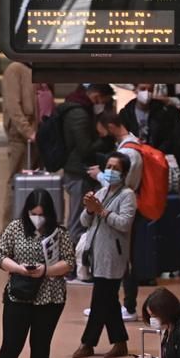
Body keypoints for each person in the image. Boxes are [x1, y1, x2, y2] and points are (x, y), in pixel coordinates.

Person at [0, 189, 76, 358]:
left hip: (50, 298)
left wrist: (45, 270)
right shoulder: (15, 228)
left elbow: (69, 262)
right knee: (11, 345)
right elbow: (0, 256)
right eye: (33, 213)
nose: (37, 218)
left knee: (40, 348)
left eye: (41, 214)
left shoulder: (59, 233)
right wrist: (19, 269)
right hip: (18, 296)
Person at [75, 151, 136, 358]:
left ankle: (87, 343)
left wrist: (102, 211)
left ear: (124, 173)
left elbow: (124, 223)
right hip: (97, 254)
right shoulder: (101, 192)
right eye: (108, 167)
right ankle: (120, 342)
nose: (110, 171)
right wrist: (89, 209)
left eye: (115, 168)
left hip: (114, 257)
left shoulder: (127, 195)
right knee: (109, 301)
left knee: (99, 300)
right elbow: (84, 222)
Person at [96, 110, 146, 320]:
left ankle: (129, 306)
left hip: (123, 209)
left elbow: (124, 184)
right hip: (118, 207)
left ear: (110, 126)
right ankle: (110, 305)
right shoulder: (131, 144)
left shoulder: (129, 152)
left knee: (125, 259)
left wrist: (99, 176)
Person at [62, 83, 116, 242]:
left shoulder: (83, 108)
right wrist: (105, 138)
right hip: (77, 172)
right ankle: (72, 252)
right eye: (104, 101)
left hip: (81, 170)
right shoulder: (79, 113)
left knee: (81, 216)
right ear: (97, 97)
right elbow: (85, 148)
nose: (103, 105)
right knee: (77, 219)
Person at [119, 82, 180, 173]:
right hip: (136, 157)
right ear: (135, 90)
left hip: (158, 158)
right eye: (143, 89)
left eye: (150, 90)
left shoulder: (163, 112)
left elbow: (169, 137)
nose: (146, 93)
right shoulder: (126, 113)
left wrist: (155, 153)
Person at [2, 61, 41, 183]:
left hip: (40, 133)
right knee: (18, 180)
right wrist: (28, 131)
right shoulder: (15, 69)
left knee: (38, 179)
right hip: (22, 136)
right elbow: (12, 106)